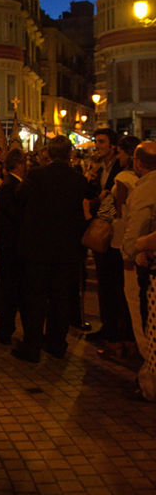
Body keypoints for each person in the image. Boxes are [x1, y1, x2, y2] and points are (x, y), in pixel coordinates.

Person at [13, 135, 88, 363]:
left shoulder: (36, 176)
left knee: (34, 299)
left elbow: (19, 200)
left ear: (49, 154)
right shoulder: (78, 180)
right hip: (66, 251)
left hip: (37, 249)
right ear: (69, 154)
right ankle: (56, 344)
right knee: (60, 300)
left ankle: (32, 346)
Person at [85, 128, 128, 345]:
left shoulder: (120, 169)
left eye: (101, 142)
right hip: (102, 230)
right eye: (96, 141)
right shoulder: (99, 168)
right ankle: (109, 325)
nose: (97, 146)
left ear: (113, 146)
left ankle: (116, 327)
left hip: (114, 231)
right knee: (105, 281)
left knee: (113, 282)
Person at [121, 140, 156, 401]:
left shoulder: (146, 188)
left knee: (143, 320)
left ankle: (150, 379)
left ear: (138, 162)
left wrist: (132, 251)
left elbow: (137, 225)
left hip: (144, 265)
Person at [0, 147, 27, 345]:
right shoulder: (11, 186)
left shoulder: (12, 185)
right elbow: (15, 216)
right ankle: (6, 328)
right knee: (10, 288)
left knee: (10, 287)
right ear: (19, 164)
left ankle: (6, 326)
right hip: (12, 246)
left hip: (11, 245)